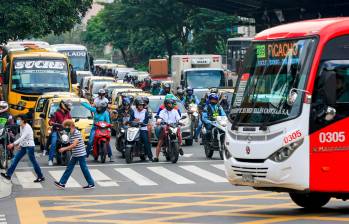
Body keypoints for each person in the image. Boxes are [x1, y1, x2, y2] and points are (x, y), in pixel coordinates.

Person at [1, 115, 44, 183]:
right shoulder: (21, 127)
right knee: (15, 159)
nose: (17, 121)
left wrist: (13, 144)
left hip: (30, 146)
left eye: (19, 119)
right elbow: (22, 137)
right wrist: (20, 145)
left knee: (33, 162)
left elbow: (22, 137)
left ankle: (40, 176)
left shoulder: (27, 127)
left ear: (23, 120)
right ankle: (8, 175)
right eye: (17, 119)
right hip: (24, 146)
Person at [54, 119, 95, 189]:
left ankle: (91, 184)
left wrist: (64, 149)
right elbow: (71, 144)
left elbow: (74, 145)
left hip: (80, 154)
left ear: (71, 126)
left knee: (84, 169)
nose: (65, 129)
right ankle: (62, 183)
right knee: (69, 168)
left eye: (66, 127)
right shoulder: (71, 133)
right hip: (75, 154)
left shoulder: (77, 133)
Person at [48, 99, 72, 166]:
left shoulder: (68, 113)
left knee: (75, 141)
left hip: (66, 131)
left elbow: (70, 120)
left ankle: (77, 158)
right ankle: (50, 159)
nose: (69, 107)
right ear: (63, 105)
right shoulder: (56, 113)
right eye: (67, 105)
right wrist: (51, 122)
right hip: (57, 131)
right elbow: (51, 121)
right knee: (53, 143)